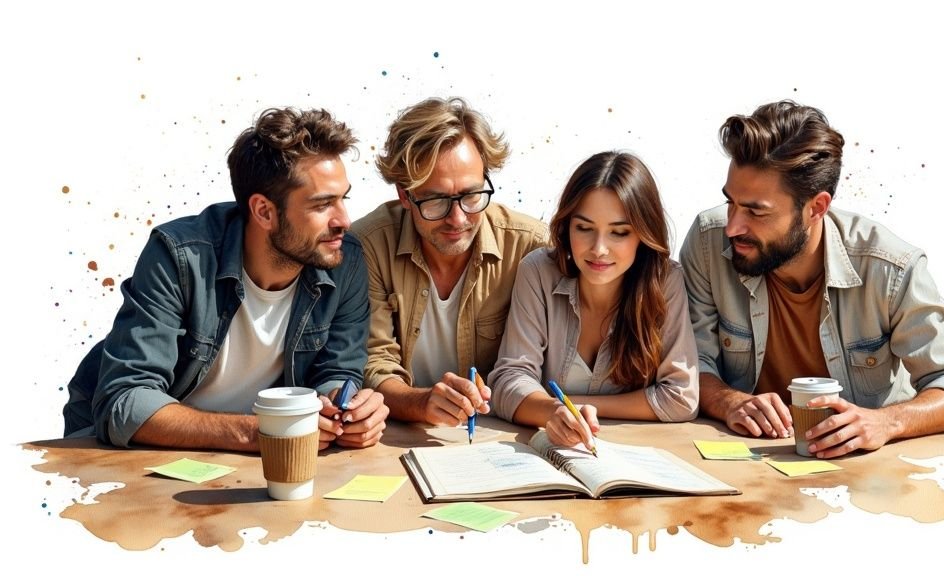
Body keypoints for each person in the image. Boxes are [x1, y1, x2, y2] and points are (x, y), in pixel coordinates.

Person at [63, 107, 389, 451]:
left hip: (253, 457)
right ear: (264, 211)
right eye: (322, 205)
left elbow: (335, 371)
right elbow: (124, 401)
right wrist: (259, 432)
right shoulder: (179, 256)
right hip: (133, 452)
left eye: (343, 198)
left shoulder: (344, 257)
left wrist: (345, 409)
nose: (344, 220)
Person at [679, 100, 944, 458]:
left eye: (755, 211)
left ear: (816, 208)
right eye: (731, 203)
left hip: (867, 479)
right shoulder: (707, 242)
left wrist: (885, 423)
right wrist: (729, 401)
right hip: (745, 463)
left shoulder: (888, 267)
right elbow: (687, 364)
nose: (733, 225)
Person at [350, 97, 548, 427]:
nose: (458, 218)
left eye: (471, 195)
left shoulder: (531, 246)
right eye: (437, 200)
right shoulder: (368, 245)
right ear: (404, 195)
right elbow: (373, 362)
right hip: (401, 431)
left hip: (505, 433)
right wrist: (420, 403)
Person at [490, 151, 699, 448]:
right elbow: (508, 381)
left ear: (643, 234)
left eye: (619, 232)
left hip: (632, 453)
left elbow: (680, 398)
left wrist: (570, 405)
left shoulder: (665, 282)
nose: (599, 249)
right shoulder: (537, 271)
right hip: (543, 448)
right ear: (567, 226)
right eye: (584, 228)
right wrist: (555, 412)